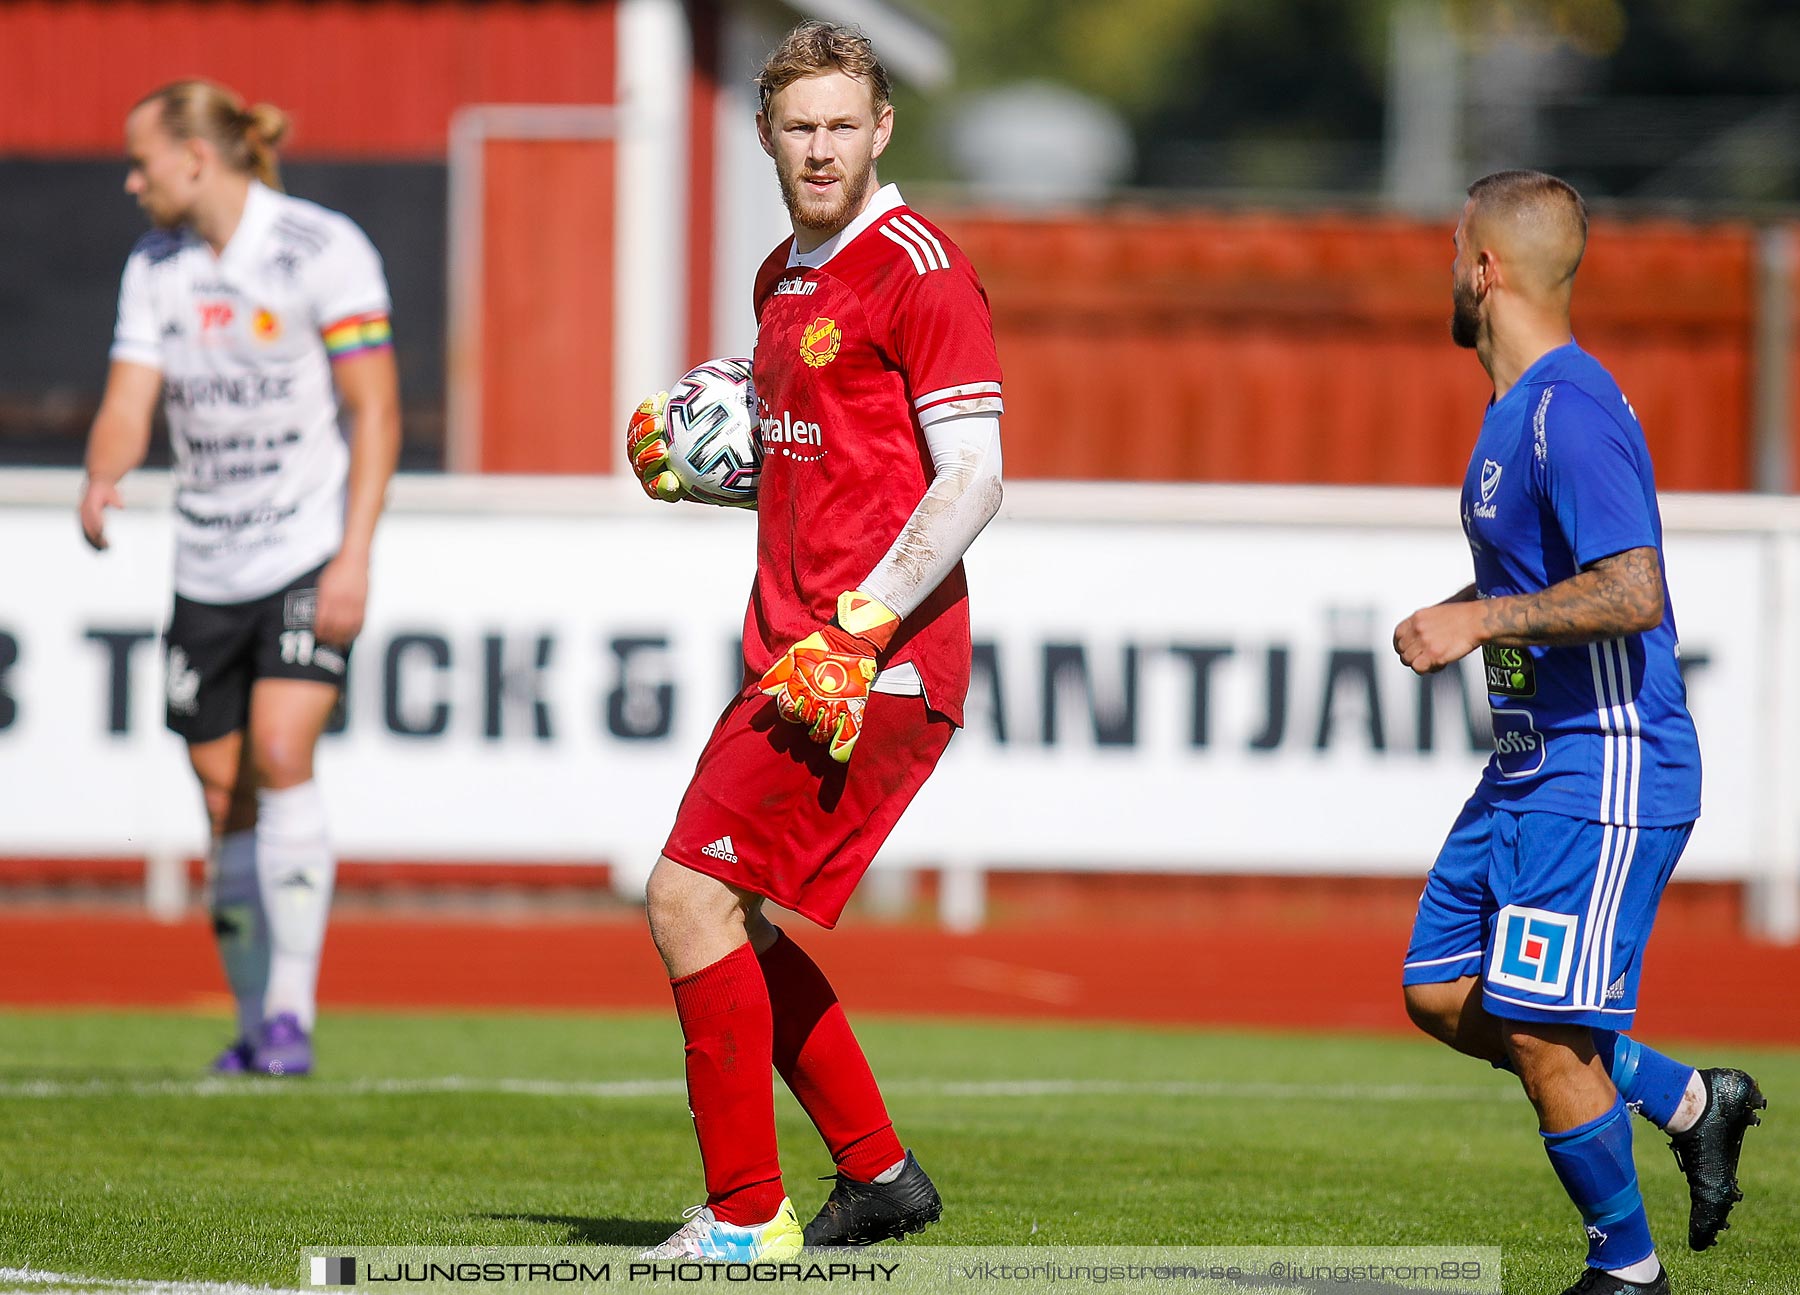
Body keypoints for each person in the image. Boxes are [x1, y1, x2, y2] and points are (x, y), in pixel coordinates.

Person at [623, 20, 1004, 1262]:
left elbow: (973, 478)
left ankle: (745, 1217)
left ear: (883, 128)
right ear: (767, 136)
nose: (823, 147)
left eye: (845, 124)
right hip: (797, 654)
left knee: (688, 900)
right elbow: (829, 459)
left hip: (868, 665)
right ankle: (880, 1175)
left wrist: (863, 628)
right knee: (740, 919)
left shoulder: (921, 268)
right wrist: (703, 461)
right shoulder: (784, 273)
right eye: (801, 126)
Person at [1393, 170, 1764, 1295]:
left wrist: (1479, 618)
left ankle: (1629, 1271)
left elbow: (1635, 588)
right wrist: (1475, 603)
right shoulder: (1516, 412)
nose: (1449, 269)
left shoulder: (1573, 407)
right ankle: (1692, 1100)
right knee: (1439, 986)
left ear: (1486, 269)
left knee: (1546, 1031)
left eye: (1456, 249)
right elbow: (1549, 579)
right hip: (1527, 767)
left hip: (1603, 770)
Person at [79, 80, 400, 1078]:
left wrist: (354, 553)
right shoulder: (155, 265)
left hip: (305, 547)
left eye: (142, 160)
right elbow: (132, 395)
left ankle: (293, 1019)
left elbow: (375, 410)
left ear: (195, 158)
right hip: (204, 562)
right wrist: (102, 472)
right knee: (224, 795)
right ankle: (254, 1018)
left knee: (279, 746)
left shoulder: (320, 248)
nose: (132, 181)